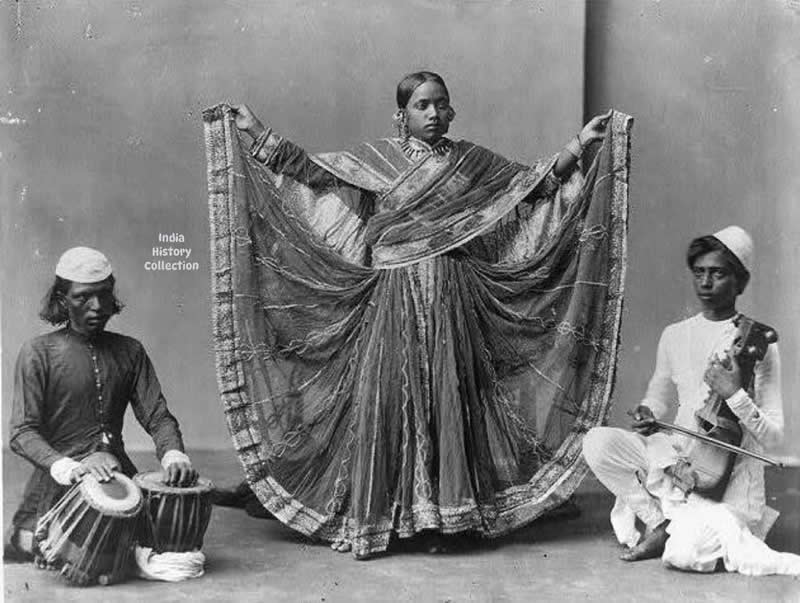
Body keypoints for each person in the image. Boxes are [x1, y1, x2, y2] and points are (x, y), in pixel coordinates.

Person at [204, 71, 632, 559]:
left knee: (450, 394)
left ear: (451, 112)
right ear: (402, 115)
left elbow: (528, 187)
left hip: (455, 296)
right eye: (422, 106)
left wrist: (581, 143)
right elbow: (309, 172)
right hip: (393, 297)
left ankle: (447, 520)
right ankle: (388, 516)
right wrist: (255, 130)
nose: (433, 113)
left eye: (440, 105)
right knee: (390, 396)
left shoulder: (469, 163)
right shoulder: (378, 163)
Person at [583, 226, 800, 575]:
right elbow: (658, 395)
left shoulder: (760, 341)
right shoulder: (674, 335)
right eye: (699, 273)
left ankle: (678, 527)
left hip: (725, 474)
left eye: (718, 273)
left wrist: (735, 394)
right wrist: (647, 412)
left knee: (683, 556)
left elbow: (774, 436)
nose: (706, 283)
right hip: (678, 456)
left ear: (740, 282)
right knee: (596, 442)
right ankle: (659, 523)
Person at [4, 246, 198, 564]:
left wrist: (174, 453)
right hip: (58, 485)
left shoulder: (130, 351)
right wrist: (72, 467)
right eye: (83, 297)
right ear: (62, 299)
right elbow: (22, 432)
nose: (97, 307)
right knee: (72, 552)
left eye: (104, 294)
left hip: (119, 477)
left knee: (156, 547)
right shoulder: (38, 353)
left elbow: (158, 416)